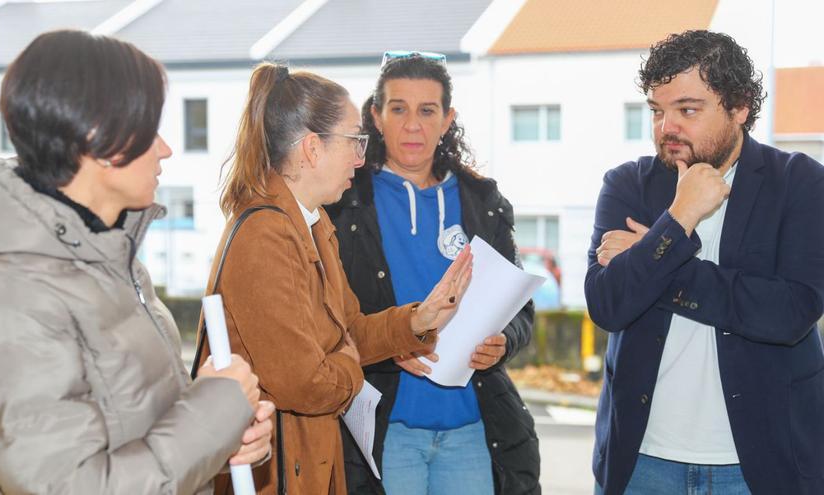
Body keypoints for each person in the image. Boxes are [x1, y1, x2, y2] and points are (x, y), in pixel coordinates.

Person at [0, 30, 273, 494]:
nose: (165, 149)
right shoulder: (5, 300)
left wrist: (225, 437)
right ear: (101, 139)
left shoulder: (106, 251)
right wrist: (216, 410)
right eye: (149, 129)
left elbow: (139, 433)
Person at [198, 62, 473, 495]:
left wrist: (421, 319)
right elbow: (305, 384)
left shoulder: (313, 222)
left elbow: (352, 331)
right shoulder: (265, 235)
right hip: (283, 471)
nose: (361, 158)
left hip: (311, 463)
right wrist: (347, 365)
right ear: (312, 148)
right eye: (354, 141)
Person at [587, 30, 824, 495]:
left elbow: (789, 314)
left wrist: (655, 257)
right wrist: (680, 218)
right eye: (657, 110)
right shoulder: (626, 185)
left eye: (687, 110)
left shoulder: (800, 183)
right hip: (642, 463)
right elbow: (608, 305)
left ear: (740, 107)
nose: (666, 127)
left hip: (762, 465)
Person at [325, 52, 541, 495]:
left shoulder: (483, 201)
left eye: (428, 111)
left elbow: (520, 309)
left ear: (447, 119)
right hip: (389, 432)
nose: (412, 125)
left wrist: (503, 343)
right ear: (376, 117)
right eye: (398, 108)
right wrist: (389, 345)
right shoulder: (343, 203)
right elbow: (326, 321)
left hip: (473, 432)